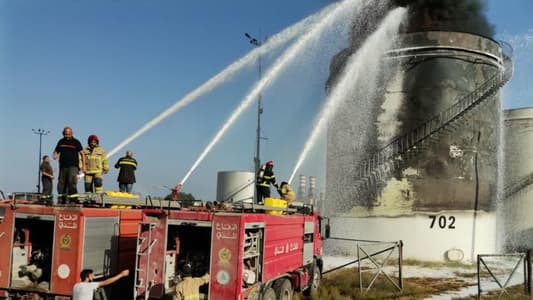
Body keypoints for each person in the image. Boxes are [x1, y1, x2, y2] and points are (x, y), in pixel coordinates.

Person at [53, 127, 85, 204]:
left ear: (72, 133)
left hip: (73, 166)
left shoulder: (76, 142)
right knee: (61, 183)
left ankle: (73, 200)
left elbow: (82, 154)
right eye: (66, 134)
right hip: (63, 166)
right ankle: (61, 199)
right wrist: (55, 155)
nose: (67, 135)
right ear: (63, 133)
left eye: (69, 134)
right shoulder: (61, 141)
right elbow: (56, 151)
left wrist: (84, 166)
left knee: (72, 182)